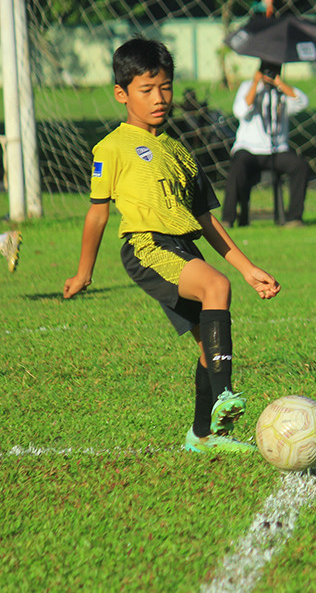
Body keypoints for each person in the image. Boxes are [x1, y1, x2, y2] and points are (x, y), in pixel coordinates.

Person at [63, 37, 281, 454]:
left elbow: (205, 219)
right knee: (216, 288)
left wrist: (248, 268)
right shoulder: (110, 148)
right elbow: (97, 213)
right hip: (147, 247)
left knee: (206, 345)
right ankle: (226, 398)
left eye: (165, 87)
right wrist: (84, 271)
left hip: (183, 246)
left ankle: (204, 436)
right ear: (121, 94)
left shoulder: (180, 151)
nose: (159, 98)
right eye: (146, 90)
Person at [221, 60, 310, 228]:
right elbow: (240, 111)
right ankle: (228, 218)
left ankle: (294, 218)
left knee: (300, 166)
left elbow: (302, 102)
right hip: (249, 149)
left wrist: (280, 85)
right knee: (237, 166)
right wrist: (256, 84)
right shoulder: (248, 86)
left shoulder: (282, 91)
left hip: (277, 149)